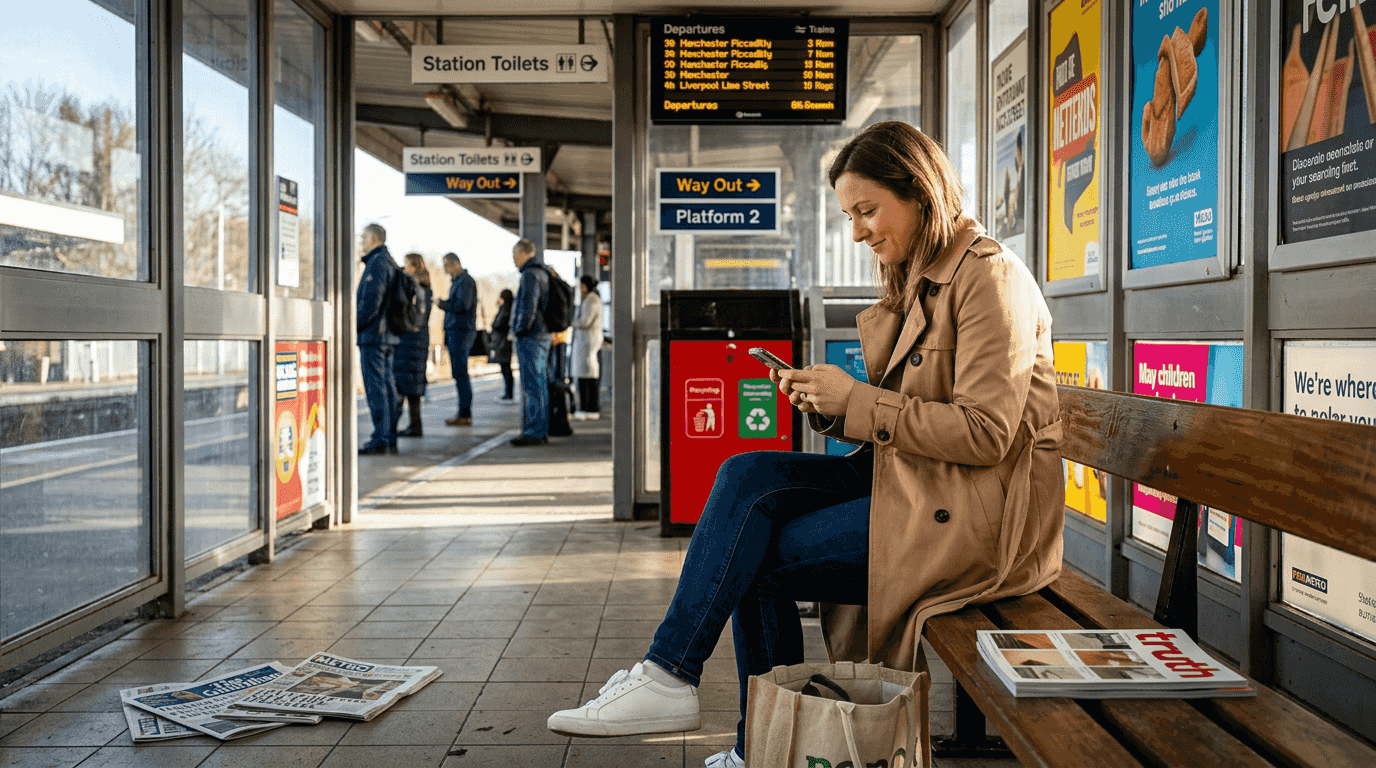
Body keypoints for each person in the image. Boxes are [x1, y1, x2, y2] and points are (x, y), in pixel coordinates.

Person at [546, 121, 1065, 768]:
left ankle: (758, 745)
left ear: (923, 193)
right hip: (917, 483)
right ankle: (669, 676)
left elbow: (986, 434)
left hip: (980, 520)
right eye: (850, 215)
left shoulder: (990, 279)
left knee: (756, 557)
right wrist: (831, 407)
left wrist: (857, 401)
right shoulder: (924, 273)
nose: (858, 232)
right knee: (744, 475)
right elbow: (906, 416)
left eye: (868, 211)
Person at [356, 223, 400, 455]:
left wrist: (352, 325)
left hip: (375, 336)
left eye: (363, 238)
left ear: (374, 239)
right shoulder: (388, 261)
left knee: (377, 388)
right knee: (387, 386)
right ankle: (388, 435)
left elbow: (371, 302)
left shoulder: (378, 263)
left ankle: (381, 437)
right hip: (387, 335)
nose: (361, 242)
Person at [509, 237, 550, 447]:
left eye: (515, 254)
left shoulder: (530, 275)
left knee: (532, 385)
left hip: (531, 336)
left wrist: (518, 330)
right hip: (542, 336)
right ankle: (540, 429)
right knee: (540, 384)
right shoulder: (543, 272)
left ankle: (533, 431)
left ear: (524, 253)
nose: (514, 259)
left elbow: (528, 307)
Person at [392, 253, 433, 437]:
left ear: (414, 267)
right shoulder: (426, 286)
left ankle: (390, 428)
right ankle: (416, 426)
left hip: (409, 340)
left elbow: (409, 315)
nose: (404, 268)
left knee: (400, 386)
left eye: (407, 265)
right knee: (413, 388)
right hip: (421, 340)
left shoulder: (413, 287)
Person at [435, 252, 478, 426]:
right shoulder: (459, 282)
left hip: (461, 333)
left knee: (461, 374)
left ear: (454, 265)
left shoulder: (465, 282)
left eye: (446, 266)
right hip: (456, 333)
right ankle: (463, 412)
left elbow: (462, 305)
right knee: (459, 374)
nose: (445, 270)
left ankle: (465, 413)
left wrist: (442, 304)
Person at [571, 275, 603, 420]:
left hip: (588, 341)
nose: (580, 289)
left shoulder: (591, 300)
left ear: (585, 286)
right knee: (586, 375)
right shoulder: (592, 299)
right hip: (587, 341)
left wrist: (573, 322)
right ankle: (588, 408)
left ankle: (589, 408)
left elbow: (585, 322)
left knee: (587, 376)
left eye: (581, 286)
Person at [489, 288, 516, 403]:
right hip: (505, 342)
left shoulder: (505, 310)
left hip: (503, 343)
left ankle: (508, 394)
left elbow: (496, 324)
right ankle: (508, 393)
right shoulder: (511, 308)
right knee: (506, 369)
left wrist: (499, 306)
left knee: (506, 369)